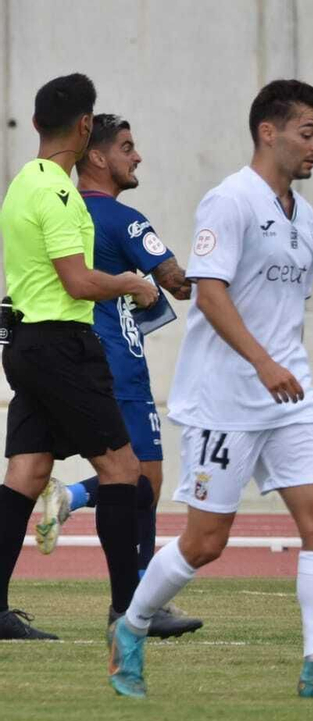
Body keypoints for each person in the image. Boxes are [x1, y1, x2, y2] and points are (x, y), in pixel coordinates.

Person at [107, 80, 313, 699]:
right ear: (269, 131)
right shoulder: (228, 201)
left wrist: (282, 367)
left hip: (291, 393)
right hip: (226, 397)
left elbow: (287, 305)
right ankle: (130, 627)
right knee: (206, 542)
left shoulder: (304, 214)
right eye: (308, 132)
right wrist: (262, 363)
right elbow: (210, 292)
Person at [31, 113, 203, 638]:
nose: (137, 156)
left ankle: (130, 591)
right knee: (143, 481)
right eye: (127, 147)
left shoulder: (63, 214)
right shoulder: (122, 220)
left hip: (66, 356)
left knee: (116, 475)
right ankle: (138, 601)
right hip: (118, 367)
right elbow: (180, 283)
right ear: (99, 157)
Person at [0, 73, 158, 641]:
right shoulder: (62, 193)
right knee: (121, 469)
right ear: (86, 125)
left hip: (23, 344)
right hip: (62, 344)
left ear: (38, 123)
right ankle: (128, 612)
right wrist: (131, 284)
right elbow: (77, 281)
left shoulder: (23, 182)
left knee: (27, 472)